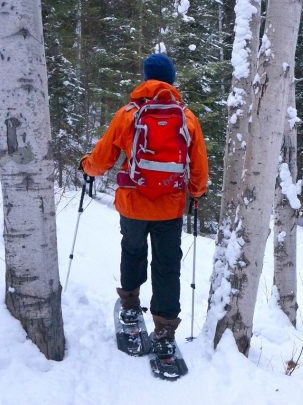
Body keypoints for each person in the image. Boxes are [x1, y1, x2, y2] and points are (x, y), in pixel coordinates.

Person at [80, 53, 208, 354]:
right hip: (170, 206)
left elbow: (103, 157)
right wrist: (197, 192)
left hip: (134, 203)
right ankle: (164, 328)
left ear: (146, 77)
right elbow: (199, 164)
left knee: (133, 250)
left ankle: (130, 305)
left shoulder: (128, 114)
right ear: (172, 79)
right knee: (167, 264)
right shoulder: (187, 118)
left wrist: (86, 166)